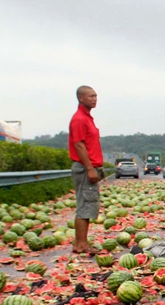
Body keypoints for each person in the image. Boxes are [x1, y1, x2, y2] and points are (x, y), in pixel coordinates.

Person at [68, 85, 103, 254]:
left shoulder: (87, 118)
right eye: (91, 96)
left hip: (88, 167)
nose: (94, 99)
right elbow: (79, 145)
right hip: (84, 168)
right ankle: (80, 244)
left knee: (88, 206)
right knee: (84, 205)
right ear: (81, 98)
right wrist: (90, 168)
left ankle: (82, 242)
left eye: (95, 96)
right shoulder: (80, 119)